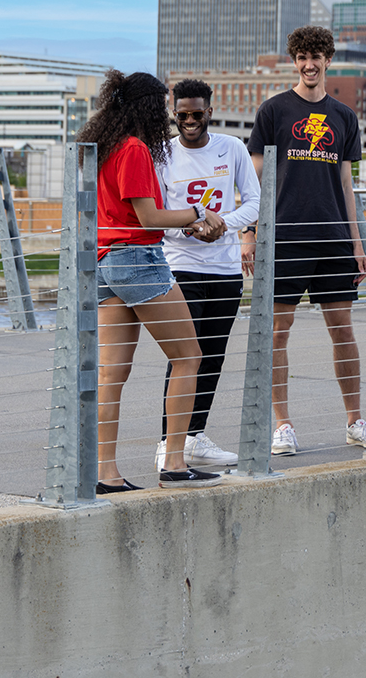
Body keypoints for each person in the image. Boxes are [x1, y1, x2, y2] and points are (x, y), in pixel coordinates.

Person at [78, 69, 226, 492]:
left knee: (112, 374)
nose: (167, 115)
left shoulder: (103, 147)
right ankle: (175, 464)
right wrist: (198, 214)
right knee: (189, 356)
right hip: (138, 260)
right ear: (147, 107)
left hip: (104, 262)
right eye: (162, 106)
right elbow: (149, 218)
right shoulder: (135, 150)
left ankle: (105, 473)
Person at [242, 25, 366, 455]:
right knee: (277, 334)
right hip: (284, 239)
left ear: (328, 60)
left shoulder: (344, 117)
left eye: (316, 57)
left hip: (333, 240)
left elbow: (345, 182)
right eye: (302, 57)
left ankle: (355, 420)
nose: (309, 64)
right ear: (294, 61)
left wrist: (357, 244)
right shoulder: (273, 111)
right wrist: (248, 232)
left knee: (343, 331)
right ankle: (282, 425)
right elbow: (255, 177)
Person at [154, 78, 261, 469]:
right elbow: (154, 214)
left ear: (210, 111)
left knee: (212, 356)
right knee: (184, 356)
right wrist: (189, 227)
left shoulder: (231, 148)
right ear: (174, 113)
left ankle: (195, 436)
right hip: (181, 266)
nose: (189, 121)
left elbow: (254, 202)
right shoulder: (162, 154)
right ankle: (169, 444)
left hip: (224, 268)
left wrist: (224, 225)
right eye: (182, 115)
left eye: (197, 114)